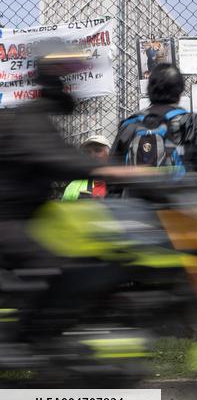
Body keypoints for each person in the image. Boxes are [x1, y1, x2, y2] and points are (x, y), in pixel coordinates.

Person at [0, 44, 150, 344]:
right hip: (9, 220)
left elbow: (60, 156)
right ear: (54, 80)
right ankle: (28, 339)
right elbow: (58, 158)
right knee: (52, 261)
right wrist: (114, 170)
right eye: (68, 80)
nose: (73, 89)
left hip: (27, 215)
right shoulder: (32, 117)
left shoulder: (40, 118)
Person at [111, 63, 197, 201]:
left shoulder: (130, 124)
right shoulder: (190, 122)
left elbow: (113, 175)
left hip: (136, 210)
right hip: (180, 211)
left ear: (150, 90)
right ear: (180, 90)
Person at [62, 135, 113, 200]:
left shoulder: (120, 183)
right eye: (87, 152)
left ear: (109, 155)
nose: (92, 156)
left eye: (97, 150)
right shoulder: (74, 185)